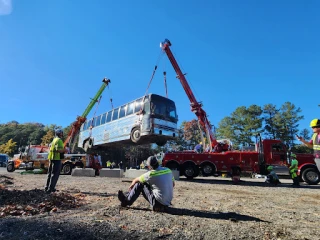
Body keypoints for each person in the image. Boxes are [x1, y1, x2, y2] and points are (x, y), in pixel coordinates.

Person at [45, 129, 66, 194]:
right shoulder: (59, 140)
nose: (62, 134)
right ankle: (51, 189)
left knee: (50, 174)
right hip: (56, 159)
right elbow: (58, 150)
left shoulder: (54, 140)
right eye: (62, 133)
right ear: (60, 134)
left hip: (51, 158)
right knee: (55, 174)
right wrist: (64, 150)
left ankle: (47, 187)